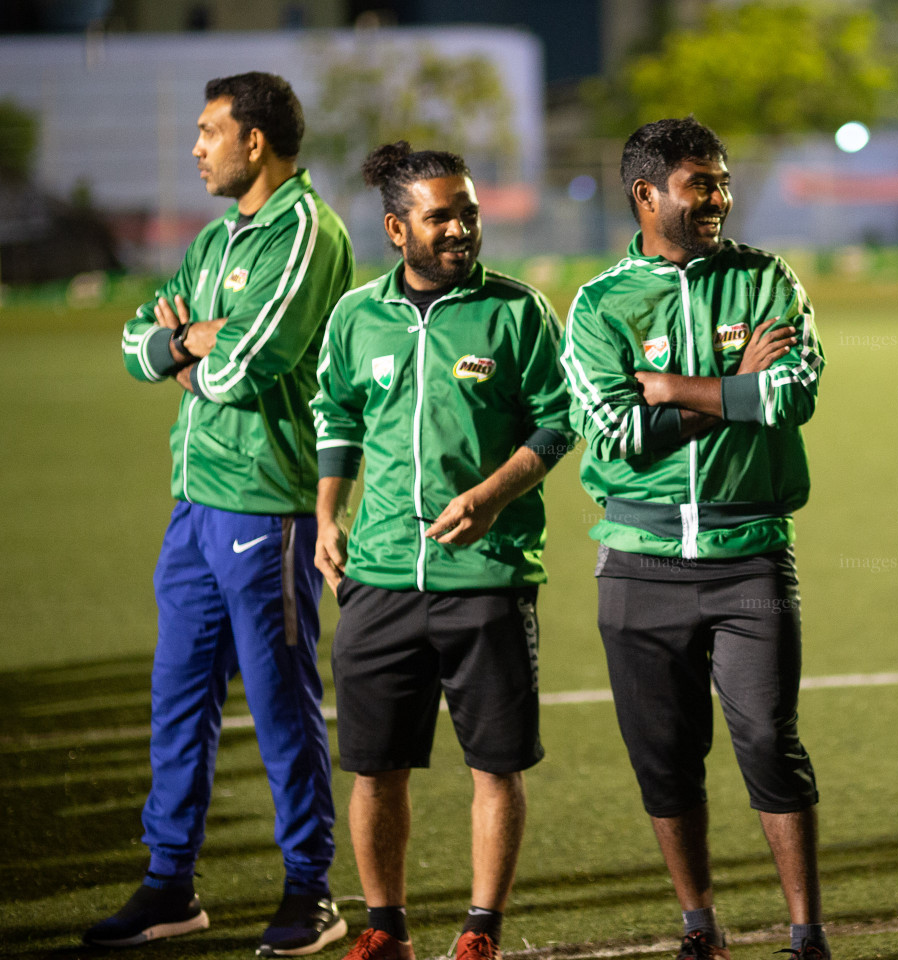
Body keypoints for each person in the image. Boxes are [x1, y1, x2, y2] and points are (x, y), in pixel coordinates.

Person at [560, 117, 828, 960]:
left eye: (722, 181)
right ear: (646, 195)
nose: (718, 198)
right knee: (665, 761)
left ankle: (805, 934)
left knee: (767, 743)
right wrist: (727, 387)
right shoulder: (600, 304)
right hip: (637, 563)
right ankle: (699, 928)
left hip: (749, 553)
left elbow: (790, 394)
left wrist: (671, 387)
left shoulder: (765, 278)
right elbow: (614, 433)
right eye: (698, 184)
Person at [102, 72, 354, 955]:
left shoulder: (306, 233)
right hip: (195, 506)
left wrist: (196, 350)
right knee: (177, 703)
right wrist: (184, 341)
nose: (198, 146)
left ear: (255, 141)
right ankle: (169, 884)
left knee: (283, 707)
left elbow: (246, 365)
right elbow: (136, 339)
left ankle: (310, 891)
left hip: (268, 508)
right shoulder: (215, 243)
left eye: (210, 131)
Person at [311, 142, 574, 960]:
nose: (461, 227)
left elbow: (560, 419)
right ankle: (384, 928)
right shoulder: (357, 316)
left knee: (495, 765)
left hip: (486, 577)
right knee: (373, 766)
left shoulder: (518, 311)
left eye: (468, 211)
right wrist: (329, 513)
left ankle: (480, 932)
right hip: (380, 576)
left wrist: (492, 497)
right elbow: (337, 417)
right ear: (397, 228)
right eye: (441, 217)